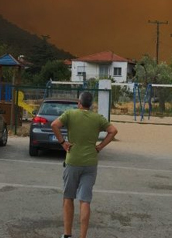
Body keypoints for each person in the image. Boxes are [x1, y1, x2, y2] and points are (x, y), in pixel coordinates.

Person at [51, 92, 118, 238]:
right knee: (85, 200)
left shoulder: (70, 114)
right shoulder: (97, 118)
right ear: (91, 105)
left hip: (73, 161)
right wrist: (99, 147)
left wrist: (63, 143)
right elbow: (113, 131)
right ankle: (83, 236)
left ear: (79, 103)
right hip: (90, 163)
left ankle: (67, 234)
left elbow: (54, 125)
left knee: (68, 197)